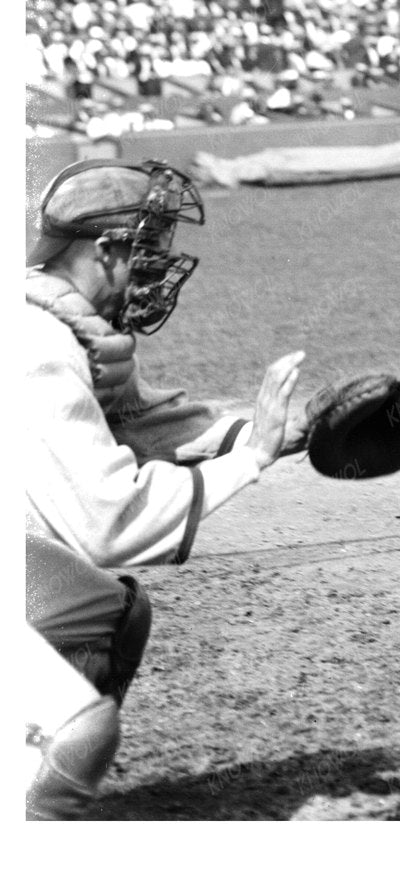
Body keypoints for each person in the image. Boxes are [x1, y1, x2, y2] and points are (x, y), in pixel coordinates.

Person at [24, 159, 305, 819]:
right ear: (104, 249)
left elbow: (149, 426)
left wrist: (291, 432)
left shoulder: (67, 326)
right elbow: (109, 523)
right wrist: (252, 458)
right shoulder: (35, 346)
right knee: (82, 637)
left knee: (117, 612)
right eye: (149, 251)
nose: (159, 268)